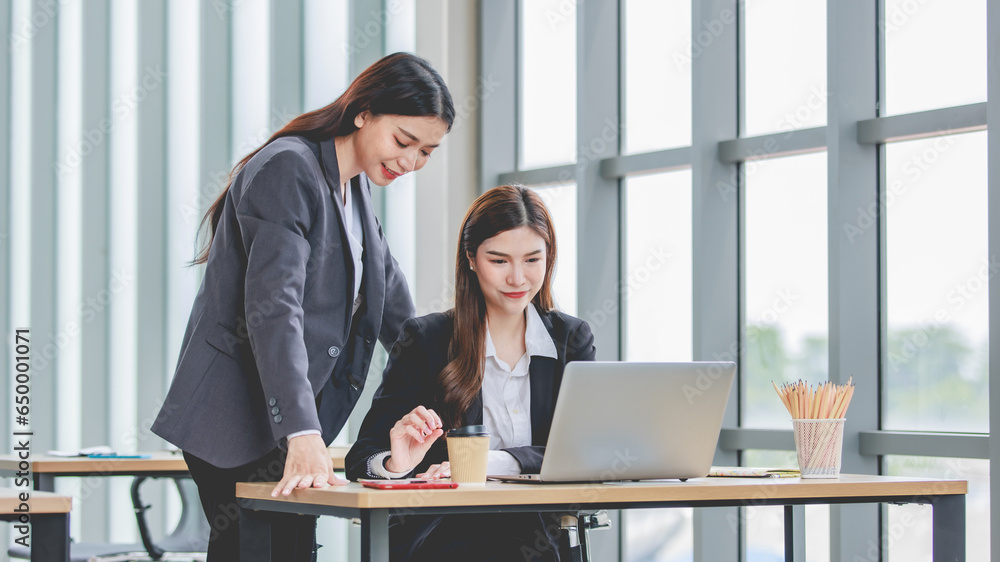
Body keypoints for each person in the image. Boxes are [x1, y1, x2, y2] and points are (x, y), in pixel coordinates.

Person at [151, 52, 454, 561]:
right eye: (404, 141)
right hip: (237, 423)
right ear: (364, 111)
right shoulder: (290, 168)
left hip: (276, 429)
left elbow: (396, 310)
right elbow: (274, 309)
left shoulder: (355, 189)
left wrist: (460, 375)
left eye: (426, 152)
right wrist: (302, 430)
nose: (410, 162)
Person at [346, 185, 597, 561]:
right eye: (499, 261)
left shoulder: (570, 340)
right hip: (445, 539)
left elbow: (582, 451)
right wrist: (398, 463)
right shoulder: (427, 339)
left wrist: (494, 462)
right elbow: (362, 456)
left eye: (533, 260)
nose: (518, 279)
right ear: (471, 258)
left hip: (541, 537)